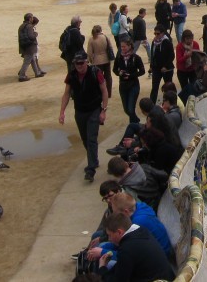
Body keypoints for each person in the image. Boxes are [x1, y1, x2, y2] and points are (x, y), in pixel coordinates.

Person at [60, 51, 108, 182]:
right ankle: (94, 160)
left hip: (94, 109)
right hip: (80, 111)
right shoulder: (72, 75)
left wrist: (103, 110)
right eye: (76, 63)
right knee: (85, 139)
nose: (78, 66)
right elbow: (66, 94)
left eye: (81, 63)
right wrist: (62, 112)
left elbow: (104, 90)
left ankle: (91, 169)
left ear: (86, 62)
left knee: (92, 138)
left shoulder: (95, 72)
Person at [99, 212, 175, 282]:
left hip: (156, 279)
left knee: (108, 267)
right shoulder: (141, 230)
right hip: (166, 277)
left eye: (110, 235)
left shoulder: (127, 248)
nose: (109, 239)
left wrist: (102, 268)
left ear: (119, 232)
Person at [113, 39, 145, 124]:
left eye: (124, 46)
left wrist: (131, 76)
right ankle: (136, 121)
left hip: (133, 85)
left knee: (131, 109)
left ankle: (134, 125)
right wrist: (119, 73)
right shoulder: (119, 57)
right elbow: (114, 69)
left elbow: (142, 71)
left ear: (129, 46)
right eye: (121, 46)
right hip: (123, 86)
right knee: (126, 109)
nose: (122, 48)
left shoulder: (136, 58)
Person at [149, 24, 174, 104]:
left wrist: (165, 66)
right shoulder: (154, 41)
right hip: (156, 68)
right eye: (155, 33)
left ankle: (170, 103)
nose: (156, 35)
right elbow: (153, 55)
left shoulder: (167, 42)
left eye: (158, 33)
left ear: (163, 33)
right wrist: (151, 66)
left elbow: (171, 56)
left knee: (168, 88)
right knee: (154, 87)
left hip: (166, 69)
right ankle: (151, 104)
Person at [87, 25, 114, 99]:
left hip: (97, 61)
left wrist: (91, 60)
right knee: (108, 77)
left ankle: (100, 92)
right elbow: (110, 47)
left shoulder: (92, 39)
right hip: (106, 59)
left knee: (98, 78)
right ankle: (109, 93)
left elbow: (89, 52)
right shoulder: (105, 37)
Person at [17, 12, 44, 82]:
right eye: (32, 17)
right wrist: (36, 34)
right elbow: (31, 36)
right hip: (30, 47)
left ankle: (37, 73)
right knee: (27, 62)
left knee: (32, 60)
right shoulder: (29, 26)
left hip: (24, 46)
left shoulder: (21, 26)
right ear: (29, 18)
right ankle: (22, 76)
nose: (32, 19)